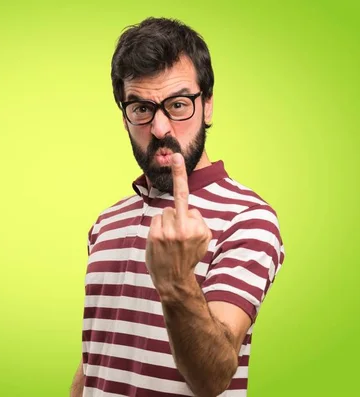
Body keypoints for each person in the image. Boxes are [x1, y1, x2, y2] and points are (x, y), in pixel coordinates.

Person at [69, 17, 285, 397]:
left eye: (179, 104)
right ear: (125, 117)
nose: (160, 128)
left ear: (208, 106)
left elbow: (212, 378)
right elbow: (95, 359)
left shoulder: (249, 220)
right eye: (141, 108)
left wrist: (175, 282)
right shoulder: (106, 223)